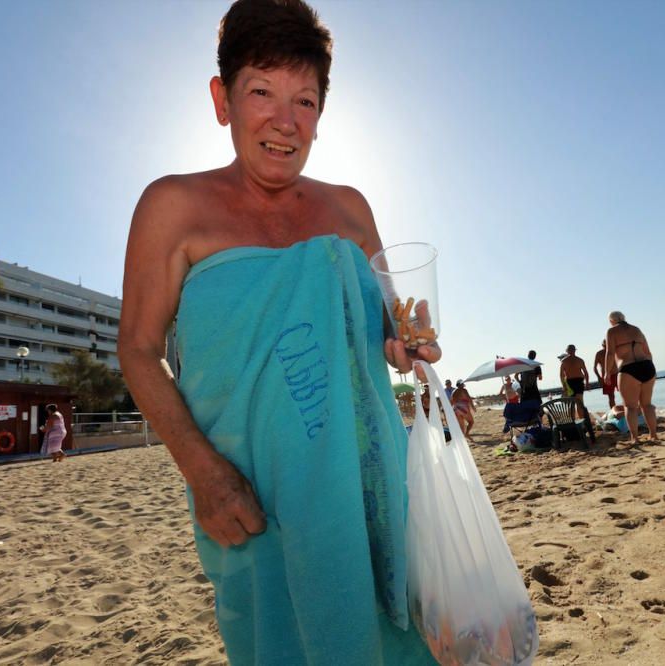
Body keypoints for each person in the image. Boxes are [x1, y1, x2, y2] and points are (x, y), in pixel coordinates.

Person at [117, 1, 439, 662]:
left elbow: (391, 331)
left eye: (307, 101)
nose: (285, 123)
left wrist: (413, 343)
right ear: (222, 98)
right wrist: (203, 473)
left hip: (373, 490)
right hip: (256, 501)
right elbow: (139, 349)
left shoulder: (350, 208)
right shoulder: (172, 206)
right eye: (261, 92)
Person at [604, 310, 658, 445]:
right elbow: (648, 352)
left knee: (630, 406)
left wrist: (606, 372)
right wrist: (650, 368)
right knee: (647, 404)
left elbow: (610, 353)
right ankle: (654, 435)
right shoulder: (637, 330)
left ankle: (635, 438)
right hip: (647, 366)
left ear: (611, 321)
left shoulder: (611, 332)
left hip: (628, 368)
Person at [593, 339, 617, 408]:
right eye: (605, 344)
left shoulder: (615, 351)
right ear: (602, 345)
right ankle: (613, 411)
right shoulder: (599, 353)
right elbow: (594, 367)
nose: (606, 346)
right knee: (611, 396)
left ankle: (627, 410)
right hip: (607, 377)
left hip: (617, 374)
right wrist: (599, 377)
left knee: (625, 393)